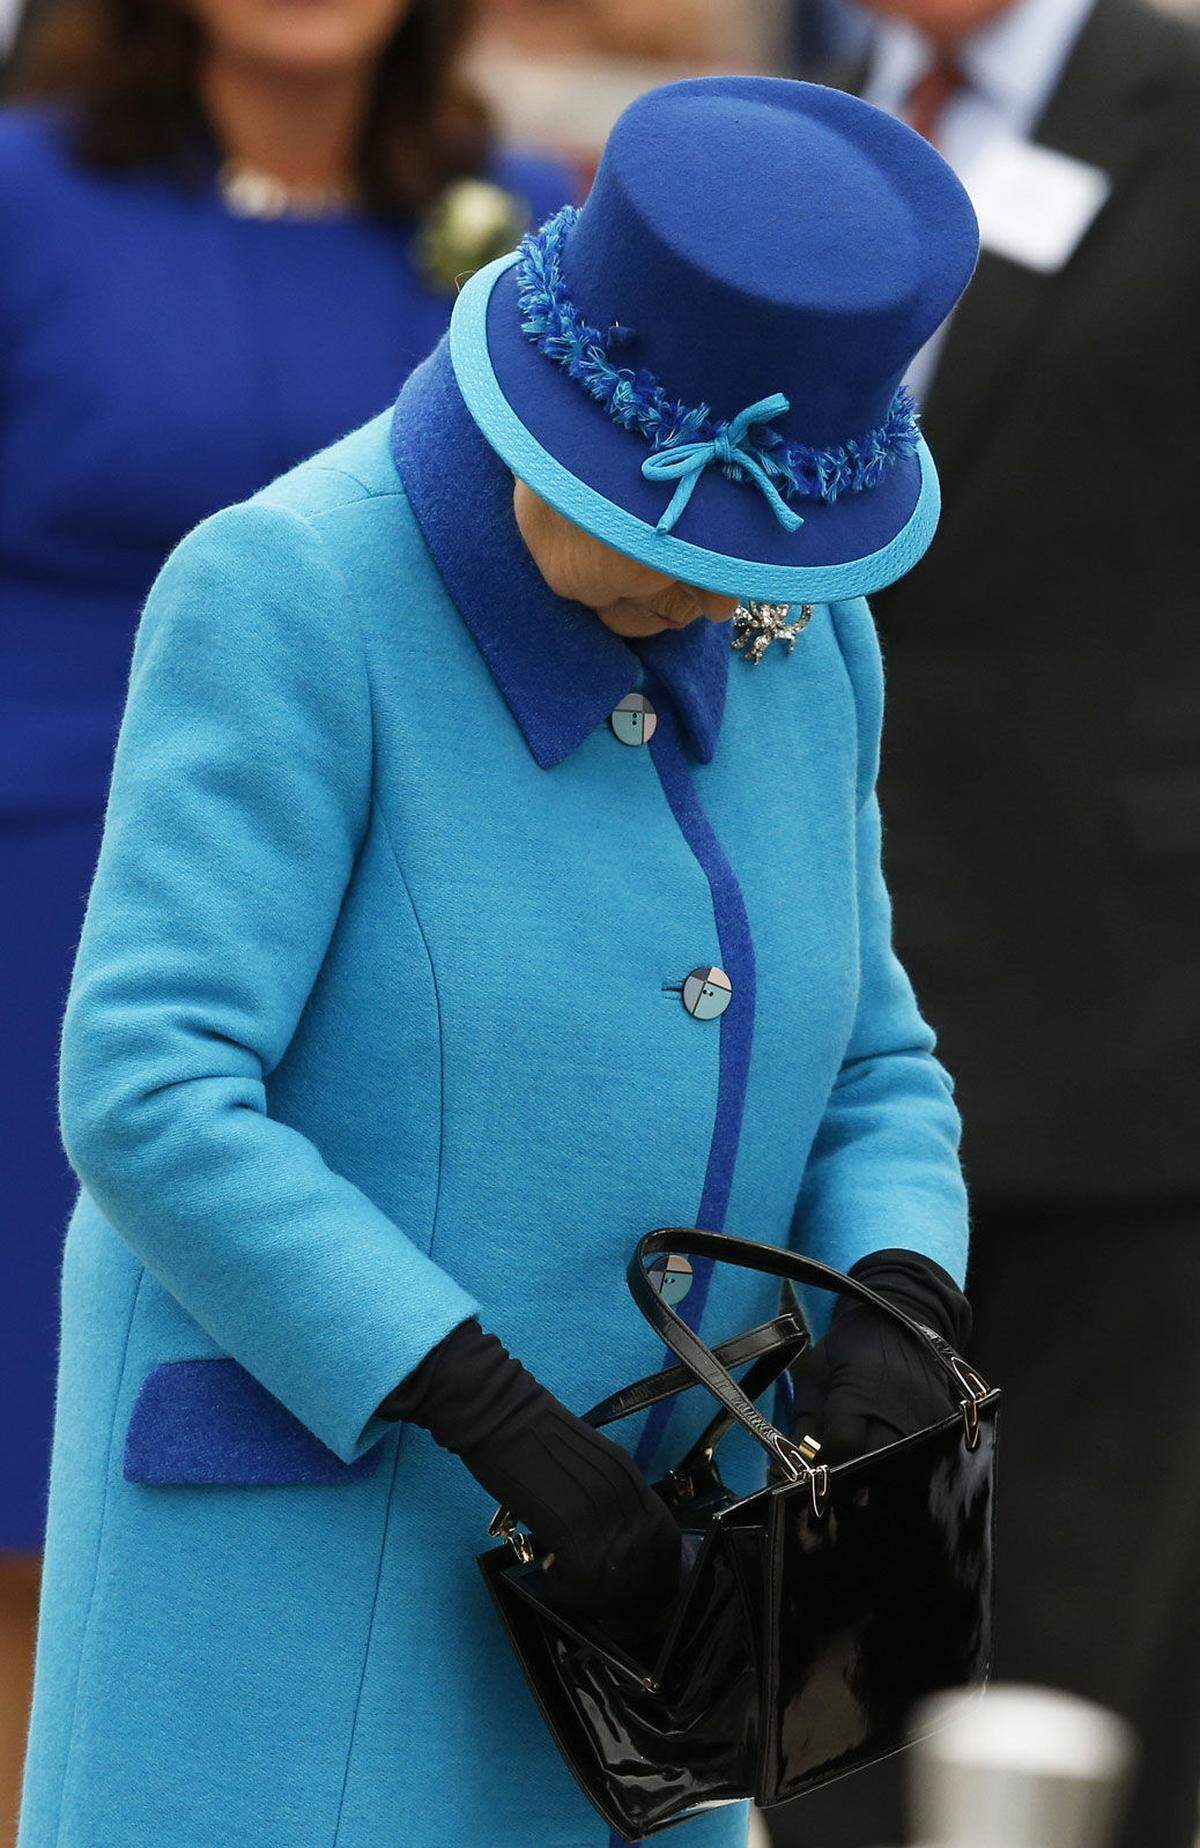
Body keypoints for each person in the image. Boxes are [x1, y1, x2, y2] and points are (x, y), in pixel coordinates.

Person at [19, 77, 981, 1848]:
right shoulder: (291, 593)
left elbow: (875, 1063)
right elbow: (150, 1091)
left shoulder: (804, 635)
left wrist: (896, 1302)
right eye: (664, 538)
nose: (711, 597)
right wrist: (486, 1408)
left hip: (653, 1636)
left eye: (744, 563)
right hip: (316, 1590)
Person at [0, 0, 570, 1830]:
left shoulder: (529, 221)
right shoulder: (22, 203)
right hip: (50, 925)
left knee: (367, 1468)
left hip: (406, 943)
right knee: (44, 1507)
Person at [770, 1, 1200, 1846]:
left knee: (1071, 1666)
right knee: (836, 1664)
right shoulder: (817, 119)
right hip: (830, 1022)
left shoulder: (1174, 105)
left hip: (1128, 1025)